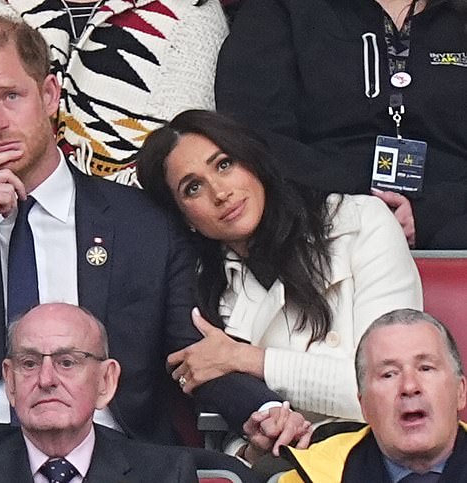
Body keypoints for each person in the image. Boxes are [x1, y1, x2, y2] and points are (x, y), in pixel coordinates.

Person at [0, 17, 273, 466]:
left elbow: (192, 350)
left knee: (223, 472)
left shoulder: (141, 220)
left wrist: (262, 410)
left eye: (11, 96)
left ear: (48, 96)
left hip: (110, 458)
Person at [136, 109, 422, 450]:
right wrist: (258, 440)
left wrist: (248, 359)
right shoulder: (201, 290)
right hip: (290, 465)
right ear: (186, 218)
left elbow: (391, 388)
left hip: (391, 453)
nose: (220, 193)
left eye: (224, 164)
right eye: (193, 187)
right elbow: (229, 429)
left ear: (252, 162)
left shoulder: (361, 223)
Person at [215, 0, 467, 249]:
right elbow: (253, 134)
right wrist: (360, 205)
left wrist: (433, 212)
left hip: (455, 217)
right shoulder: (279, 9)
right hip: (324, 219)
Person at [0, 303, 200, 482]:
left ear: (106, 381)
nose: (46, 379)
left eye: (67, 362)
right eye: (29, 363)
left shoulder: (165, 475)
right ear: (10, 382)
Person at [258, 308, 467, 482]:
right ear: (363, 405)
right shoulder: (309, 478)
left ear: (460, 391)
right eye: (389, 374)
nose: (409, 386)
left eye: (426, 368)